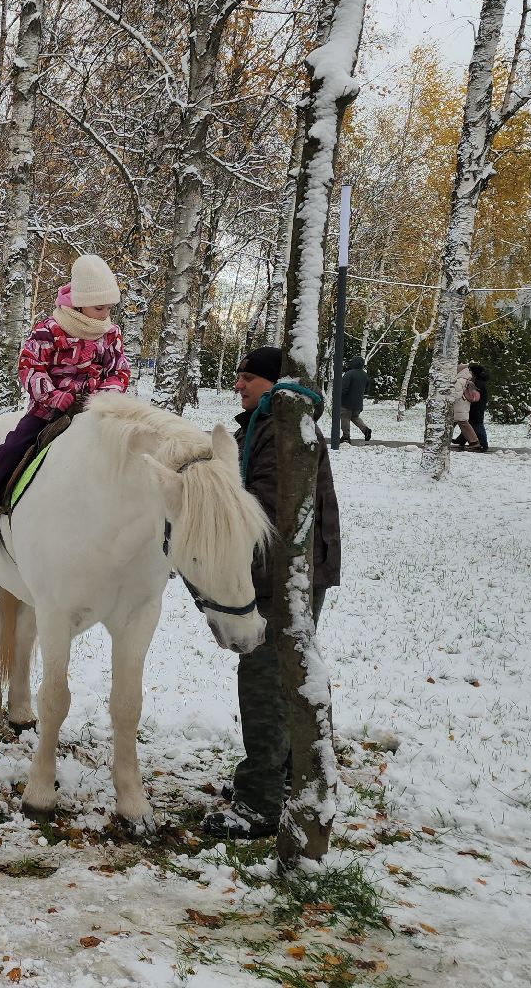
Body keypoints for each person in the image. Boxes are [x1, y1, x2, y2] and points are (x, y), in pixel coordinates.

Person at [204, 346, 342, 840]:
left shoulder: (282, 428)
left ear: (273, 383)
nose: (238, 385)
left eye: (247, 378)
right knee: (280, 679)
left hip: (285, 574)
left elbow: (261, 507)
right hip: (285, 571)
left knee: (264, 682)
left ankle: (260, 804)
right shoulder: (264, 424)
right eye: (237, 376)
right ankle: (280, 780)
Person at [0, 254, 132, 540]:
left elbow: (119, 370)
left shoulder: (110, 334)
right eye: (99, 308)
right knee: (13, 447)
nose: (105, 314)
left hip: (96, 411)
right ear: (79, 303)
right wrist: (52, 396)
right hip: (48, 412)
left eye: (109, 308)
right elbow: (29, 367)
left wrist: (104, 396)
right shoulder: (48, 330)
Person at [336, 355, 372, 443]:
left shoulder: (349, 374)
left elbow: (343, 388)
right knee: (355, 417)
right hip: (358, 403)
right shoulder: (364, 375)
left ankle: (345, 436)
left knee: (345, 418)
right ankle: (365, 430)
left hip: (346, 402)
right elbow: (367, 389)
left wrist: (338, 397)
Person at [452, 363, 485, 451]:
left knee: (462, 423)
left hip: (459, 406)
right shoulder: (468, 380)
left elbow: (456, 395)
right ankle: (471, 442)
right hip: (464, 405)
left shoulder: (459, 380)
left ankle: (474, 442)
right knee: (455, 423)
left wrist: (448, 399)